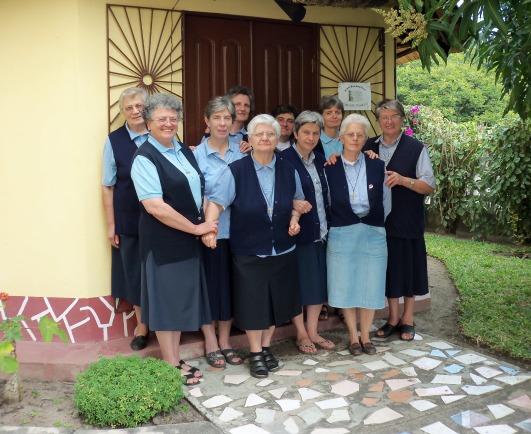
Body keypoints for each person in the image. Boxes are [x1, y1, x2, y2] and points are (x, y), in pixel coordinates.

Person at [202, 114, 311, 378]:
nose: (265, 138)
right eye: (259, 134)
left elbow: (297, 201)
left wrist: (295, 219)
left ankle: (265, 347)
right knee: (254, 304)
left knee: (276, 302)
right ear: (249, 139)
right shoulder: (236, 170)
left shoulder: (288, 169)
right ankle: (254, 352)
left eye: (270, 134)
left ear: (277, 139)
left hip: (282, 248)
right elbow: (217, 202)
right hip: (249, 248)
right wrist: (209, 228)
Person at [130, 93, 218, 385]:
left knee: (179, 301)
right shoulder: (144, 156)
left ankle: (175, 359)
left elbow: (199, 191)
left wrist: (205, 224)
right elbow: (155, 206)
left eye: (173, 118)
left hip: (187, 240)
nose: (168, 124)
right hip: (164, 242)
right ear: (149, 123)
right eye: (161, 119)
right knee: (167, 304)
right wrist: (196, 229)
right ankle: (170, 365)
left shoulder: (183, 150)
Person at [363, 99, 435, 342]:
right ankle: (392, 319)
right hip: (378, 222)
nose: (389, 121)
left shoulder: (416, 148)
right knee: (389, 270)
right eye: (384, 117)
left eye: (394, 116)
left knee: (410, 269)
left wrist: (404, 180)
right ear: (378, 121)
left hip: (407, 219)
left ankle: (408, 319)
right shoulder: (368, 145)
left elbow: (429, 186)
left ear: (402, 118)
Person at [325, 114, 391, 356]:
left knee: (371, 284)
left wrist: (372, 224)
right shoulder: (329, 167)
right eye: (350, 134)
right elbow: (326, 202)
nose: (354, 138)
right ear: (341, 137)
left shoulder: (377, 165)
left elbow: (387, 202)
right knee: (346, 284)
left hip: (373, 232)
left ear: (365, 139)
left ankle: (366, 336)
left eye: (360, 134)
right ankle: (353, 336)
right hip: (343, 232)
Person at [193, 96, 246, 368]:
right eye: (217, 118)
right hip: (209, 233)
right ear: (207, 121)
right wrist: (207, 227)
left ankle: (225, 340)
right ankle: (210, 341)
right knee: (208, 289)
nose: (223, 123)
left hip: (239, 234)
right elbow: (197, 195)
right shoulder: (194, 156)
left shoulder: (243, 151)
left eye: (227, 117)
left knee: (229, 290)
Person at [280, 111, 334, 354]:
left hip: (320, 231)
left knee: (316, 285)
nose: (310, 137)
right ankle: (301, 333)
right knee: (299, 285)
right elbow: (275, 195)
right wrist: (292, 204)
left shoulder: (321, 159)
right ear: (295, 133)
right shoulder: (282, 160)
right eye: (306, 132)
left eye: (315, 133)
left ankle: (313, 331)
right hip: (296, 233)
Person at [102, 87, 150, 351]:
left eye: (139, 106)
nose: (134, 111)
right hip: (129, 219)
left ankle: (166, 323)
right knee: (135, 273)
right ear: (122, 112)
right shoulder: (114, 140)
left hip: (162, 220)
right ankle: (142, 327)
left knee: (160, 270)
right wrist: (112, 225)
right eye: (129, 108)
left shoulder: (161, 135)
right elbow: (107, 185)